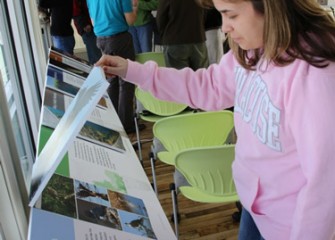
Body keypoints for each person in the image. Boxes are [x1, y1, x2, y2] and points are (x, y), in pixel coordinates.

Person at [96, 0, 335, 239]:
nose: (225, 27)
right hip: (255, 207)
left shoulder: (315, 72)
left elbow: (324, 186)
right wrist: (131, 70)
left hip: (293, 225)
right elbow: (208, 86)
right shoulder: (252, 47)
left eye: (230, 15)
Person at [86, 0, 144, 134]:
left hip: (101, 39)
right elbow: (130, 21)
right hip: (120, 39)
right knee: (126, 81)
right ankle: (126, 123)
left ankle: (114, 122)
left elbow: (94, 22)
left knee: (111, 81)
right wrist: (135, 6)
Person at [156, 0, 209, 70]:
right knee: (201, 76)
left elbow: (160, 18)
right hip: (198, 38)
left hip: (174, 40)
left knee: (178, 78)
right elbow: (205, 14)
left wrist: (165, 36)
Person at [72, 0, 102, 65]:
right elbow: (75, 10)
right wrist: (84, 24)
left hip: (96, 25)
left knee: (98, 56)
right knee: (96, 59)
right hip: (88, 28)